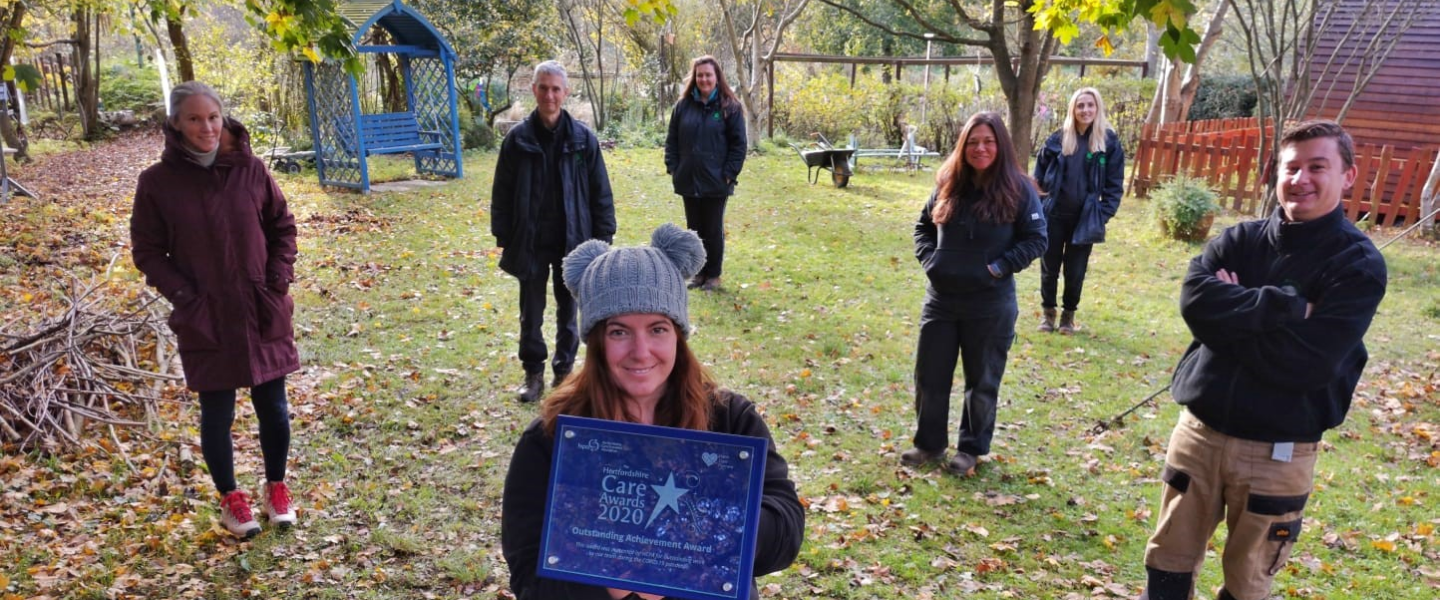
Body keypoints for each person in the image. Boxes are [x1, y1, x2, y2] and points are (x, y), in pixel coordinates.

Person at [1138, 120, 1387, 600]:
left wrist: (1231, 320)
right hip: (1199, 436)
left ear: (1348, 175)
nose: (1301, 179)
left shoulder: (1356, 265)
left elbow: (1308, 365)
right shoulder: (1240, 240)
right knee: (1167, 563)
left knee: (1249, 585)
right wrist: (1288, 309)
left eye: (1318, 167)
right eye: (1292, 167)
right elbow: (1195, 304)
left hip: (1279, 451)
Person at [501, 224, 804, 600]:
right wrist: (607, 582)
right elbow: (528, 576)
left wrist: (696, 540)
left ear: (678, 334)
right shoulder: (551, 437)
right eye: (619, 332)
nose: (641, 351)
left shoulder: (729, 419)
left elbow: (786, 531)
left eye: (658, 329)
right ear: (595, 341)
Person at [130, 81, 299, 539]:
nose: (206, 127)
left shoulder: (251, 170)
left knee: (275, 407)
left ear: (223, 118)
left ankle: (276, 487)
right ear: (175, 124)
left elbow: (282, 226)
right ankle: (230, 498)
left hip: (260, 305)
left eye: (213, 117)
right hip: (205, 315)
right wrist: (186, 296)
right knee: (217, 413)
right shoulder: (157, 183)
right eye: (194, 118)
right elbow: (146, 251)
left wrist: (277, 279)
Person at [900, 112, 1048, 476]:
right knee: (930, 375)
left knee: (981, 380)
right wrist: (930, 260)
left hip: (990, 303)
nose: (980, 148)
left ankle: (971, 449)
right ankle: (929, 444)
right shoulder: (949, 183)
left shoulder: (1019, 188)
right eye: (973, 142)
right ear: (963, 145)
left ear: (1000, 145)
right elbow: (922, 226)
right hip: (942, 299)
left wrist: (997, 268)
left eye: (988, 141)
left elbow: (1037, 239)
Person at [492, 60, 616, 403]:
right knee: (530, 311)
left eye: (556, 89)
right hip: (530, 239)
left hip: (573, 240)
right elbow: (501, 191)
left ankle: (564, 372)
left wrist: (603, 236)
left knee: (568, 311)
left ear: (566, 92)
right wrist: (503, 234)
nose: (550, 94)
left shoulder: (582, 139)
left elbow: (599, 192)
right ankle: (533, 373)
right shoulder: (517, 140)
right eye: (543, 87)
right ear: (534, 90)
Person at [1031, 87, 1125, 334]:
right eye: (1080, 105)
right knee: (1049, 267)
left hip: (1085, 219)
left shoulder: (1109, 143)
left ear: (1098, 108)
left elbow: (1115, 187)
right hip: (1053, 216)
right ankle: (1048, 315)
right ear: (1073, 109)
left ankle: (1068, 317)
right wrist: (1039, 209)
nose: (1085, 110)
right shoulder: (1057, 140)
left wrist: (1101, 214)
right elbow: (1037, 179)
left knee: (1075, 271)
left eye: (1090, 105)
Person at [664, 55, 747, 292]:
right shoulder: (682, 107)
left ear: (717, 77)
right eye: (700, 75)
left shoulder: (730, 107)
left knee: (712, 229)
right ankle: (699, 272)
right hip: (688, 177)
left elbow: (739, 145)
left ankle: (713, 275)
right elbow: (672, 140)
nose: (704, 79)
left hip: (716, 180)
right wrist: (673, 167)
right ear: (694, 78)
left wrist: (729, 174)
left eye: (708, 75)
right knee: (694, 229)